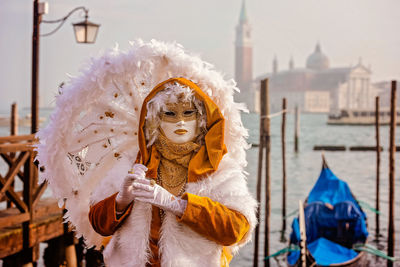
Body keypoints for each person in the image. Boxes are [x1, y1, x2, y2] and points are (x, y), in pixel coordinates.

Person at [89, 78, 257, 266]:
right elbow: (98, 224)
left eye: (188, 113)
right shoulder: (132, 163)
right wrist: (121, 201)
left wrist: (179, 205)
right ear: (155, 120)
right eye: (170, 114)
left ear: (200, 119)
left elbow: (237, 229)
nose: (180, 122)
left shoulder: (217, 168)